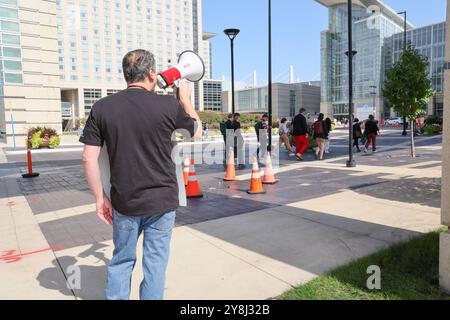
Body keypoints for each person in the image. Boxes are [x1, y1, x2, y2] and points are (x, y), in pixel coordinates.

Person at [80, 49, 201, 300]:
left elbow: (88, 157)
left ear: (126, 75)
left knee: (122, 261)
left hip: (125, 202)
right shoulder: (168, 105)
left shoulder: (103, 107)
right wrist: (185, 98)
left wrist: (99, 198)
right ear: (150, 73)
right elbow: (196, 131)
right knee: (155, 264)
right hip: (162, 202)